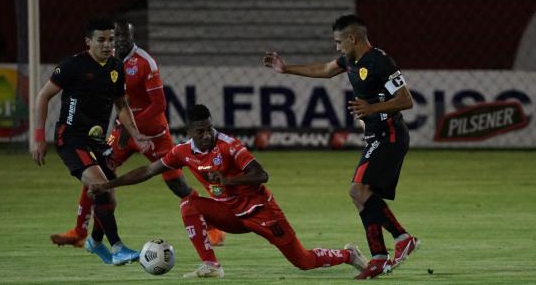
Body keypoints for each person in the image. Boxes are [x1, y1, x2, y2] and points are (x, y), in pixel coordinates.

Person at [91, 104, 368, 278]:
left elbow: (261, 174)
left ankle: (348, 254)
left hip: (261, 211)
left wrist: (226, 181)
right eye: (200, 131)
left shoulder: (229, 146)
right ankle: (211, 265)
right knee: (189, 204)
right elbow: (147, 171)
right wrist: (109, 184)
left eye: (209, 128)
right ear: (190, 132)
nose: (207, 134)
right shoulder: (183, 151)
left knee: (304, 262)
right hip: (230, 214)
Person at [263, 14, 419, 279]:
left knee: (357, 190)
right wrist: (286, 69)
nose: (336, 47)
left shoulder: (381, 62)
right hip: (375, 135)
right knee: (359, 195)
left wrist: (372, 108)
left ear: (352, 38)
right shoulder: (350, 60)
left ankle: (403, 238)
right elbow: (324, 70)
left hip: (390, 134)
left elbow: (406, 100)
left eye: (338, 42)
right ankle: (380, 257)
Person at [49, 20, 226, 248]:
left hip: (154, 135)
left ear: (132, 37)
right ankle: (80, 231)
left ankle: (212, 225)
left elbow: (159, 104)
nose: (118, 42)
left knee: (177, 185)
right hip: (123, 132)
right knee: (98, 173)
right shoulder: (106, 61)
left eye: (124, 37)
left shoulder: (145, 63)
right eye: (115, 37)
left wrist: (130, 128)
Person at [31, 16, 153, 266]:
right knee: (100, 188)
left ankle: (95, 243)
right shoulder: (72, 66)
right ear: (88, 42)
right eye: (101, 40)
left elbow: (121, 105)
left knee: (110, 198)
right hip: (71, 138)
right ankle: (118, 247)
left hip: (98, 142)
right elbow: (43, 97)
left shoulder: (116, 68)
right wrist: (38, 138)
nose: (108, 44)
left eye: (111, 39)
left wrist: (137, 134)